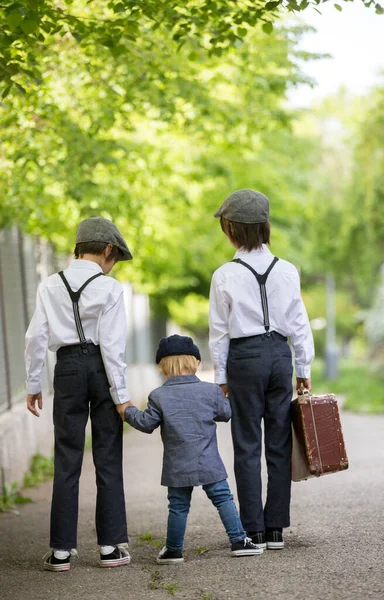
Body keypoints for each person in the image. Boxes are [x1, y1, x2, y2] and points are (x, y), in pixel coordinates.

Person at [209, 189, 315, 550]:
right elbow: (299, 322)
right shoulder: (287, 270)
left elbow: (219, 331)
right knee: (279, 441)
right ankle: (275, 529)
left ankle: (251, 529)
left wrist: (220, 377)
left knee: (246, 443)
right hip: (279, 355)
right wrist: (303, 365)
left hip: (244, 358)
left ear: (232, 230)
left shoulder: (224, 274)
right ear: (265, 226)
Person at [25, 217, 133, 571]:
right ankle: (108, 548)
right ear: (106, 250)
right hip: (101, 370)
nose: (111, 264)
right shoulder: (111, 289)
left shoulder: (49, 285)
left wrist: (32, 384)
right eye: (113, 257)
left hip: (67, 369)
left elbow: (35, 338)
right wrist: (121, 396)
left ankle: (60, 551)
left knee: (67, 458)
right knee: (107, 456)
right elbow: (114, 347)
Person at [116, 334, 263, 563]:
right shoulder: (210, 391)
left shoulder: (158, 396)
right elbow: (226, 414)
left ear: (161, 366)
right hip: (209, 462)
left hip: (177, 465)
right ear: (195, 362)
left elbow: (146, 424)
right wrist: (226, 396)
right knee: (223, 498)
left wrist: (127, 410)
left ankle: (174, 549)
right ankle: (239, 540)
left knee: (178, 506)